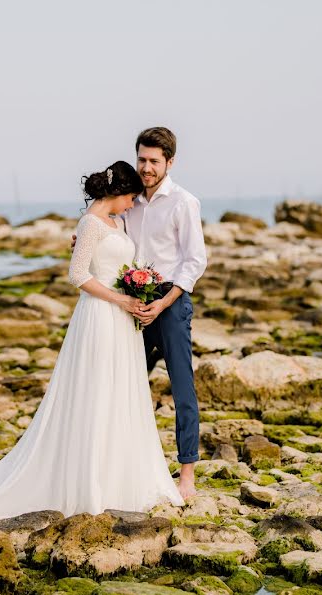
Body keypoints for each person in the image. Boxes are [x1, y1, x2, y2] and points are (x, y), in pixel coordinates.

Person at [0, 160, 185, 521]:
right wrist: (122, 299)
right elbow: (77, 275)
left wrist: (136, 288)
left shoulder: (117, 222)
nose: (132, 204)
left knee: (120, 391)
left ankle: (121, 475)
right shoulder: (90, 223)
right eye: (130, 197)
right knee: (96, 392)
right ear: (116, 193)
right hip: (99, 316)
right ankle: (90, 482)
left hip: (122, 320)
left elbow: (117, 263)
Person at [72, 127, 207, 500]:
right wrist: (82, 237)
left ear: (170, 162)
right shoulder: (130, 201)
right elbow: (105, 228)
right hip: (129, 304)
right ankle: (114, 468)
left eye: (154, 161)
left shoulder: (184, 202)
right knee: (122, 386)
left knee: (182, 388)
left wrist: (163, 303)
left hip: (168, 302)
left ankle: (187, 476)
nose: (146, 168)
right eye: (142, 159)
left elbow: (195, 261)